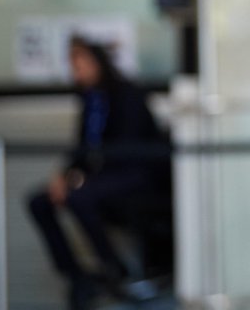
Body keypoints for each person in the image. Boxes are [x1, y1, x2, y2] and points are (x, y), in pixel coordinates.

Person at [27, 35, 168, 310]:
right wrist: (64, 175)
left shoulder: (127, 94)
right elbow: (82, 148)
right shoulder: (90, 100)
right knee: (39, 201)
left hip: (136, 176)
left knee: (79, 196)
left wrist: (79, 180)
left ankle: (115, 270)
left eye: (81, 62)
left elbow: (125, 150)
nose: (76, 70)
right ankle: (77, 275)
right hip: (100, 178)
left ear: (97, 62)